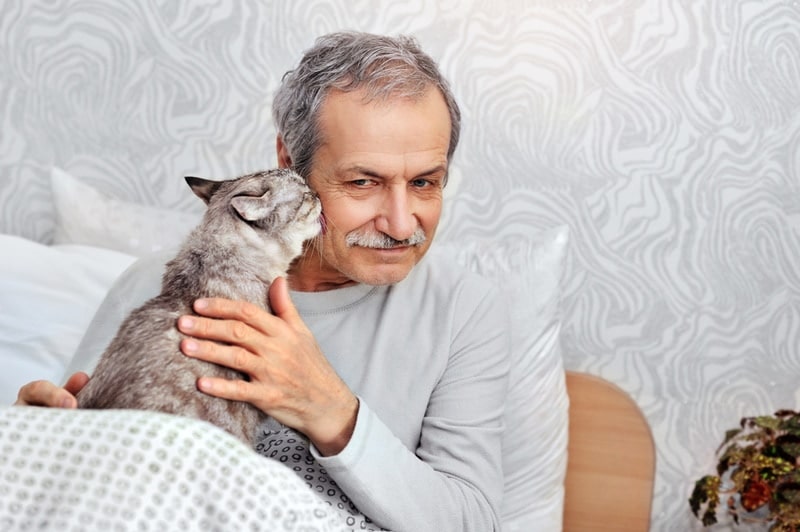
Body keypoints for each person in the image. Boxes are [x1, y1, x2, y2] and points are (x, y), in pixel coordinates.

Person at [16, 31, 511, 531]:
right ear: (288, 161)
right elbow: (75, 483)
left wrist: (330, 408)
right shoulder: (151, 285)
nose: (402, 225)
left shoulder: (465, 310)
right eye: (363, 183)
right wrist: (32, 438)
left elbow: (472, 521)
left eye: (425, 182)